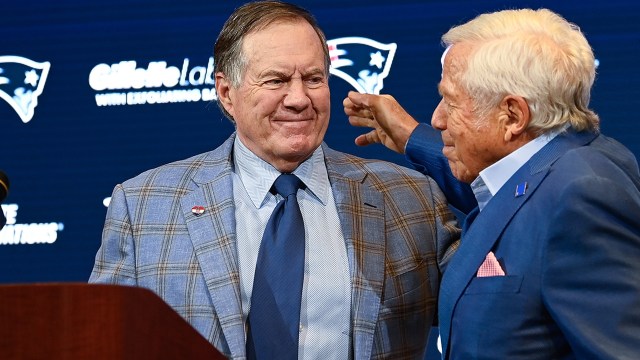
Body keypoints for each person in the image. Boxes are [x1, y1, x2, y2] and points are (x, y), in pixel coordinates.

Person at [90, 1, 460, 359]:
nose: (299, 98)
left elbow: (497, 293)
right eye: (276, 80)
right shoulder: (143, 207)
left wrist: (421, 143)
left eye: (314, 79)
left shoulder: (411, 199)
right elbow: (98, 343)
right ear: (226, 93)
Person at [344, 8, 640, 359]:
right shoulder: (565, 161)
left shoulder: (581, 196)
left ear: (512, 116)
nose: (437, 118)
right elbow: (508, 204)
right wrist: (410, 136)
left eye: (451, 102)